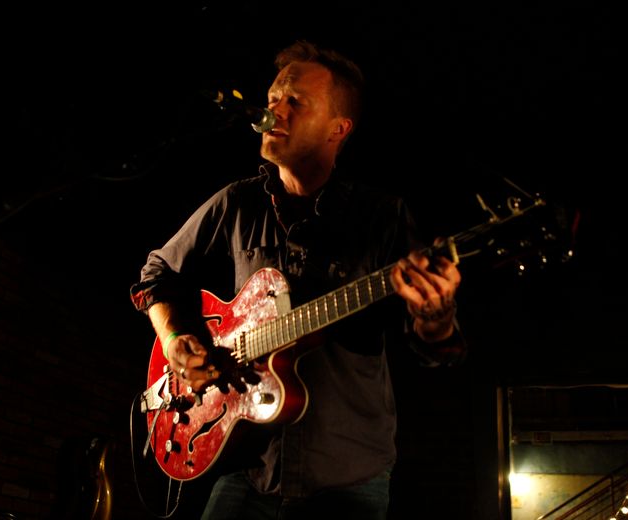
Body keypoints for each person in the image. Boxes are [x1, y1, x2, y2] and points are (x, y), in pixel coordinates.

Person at [130, 40, 466, 519]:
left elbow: (435, 348)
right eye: (272, 99)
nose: (274, 111)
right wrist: (175, 339)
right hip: (249, 464)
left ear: (338, 129)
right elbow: (156, 272)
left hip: (347, 478)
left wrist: (436, 319)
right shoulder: (236, 202)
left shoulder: (382, 216)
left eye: (296, 102)